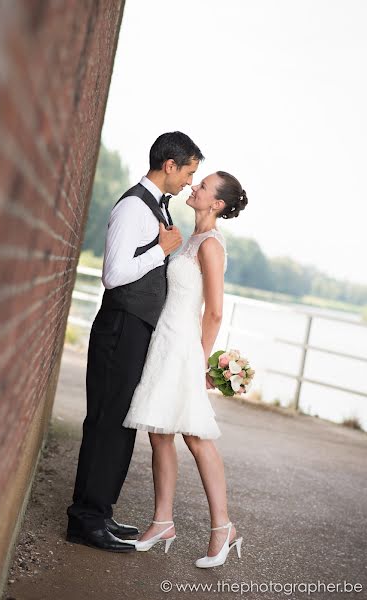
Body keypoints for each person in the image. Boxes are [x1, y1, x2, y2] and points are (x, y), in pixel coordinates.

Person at [66, 131, 204, 552]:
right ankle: (85, 521)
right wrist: (161, 250)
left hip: (135, 331)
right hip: (120, 328)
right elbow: (113, 275)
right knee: (106, 424)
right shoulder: (132, 207)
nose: (188, 182)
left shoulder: (156, 207)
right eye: (189, 172)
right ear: (170, 165)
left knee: (119, 426)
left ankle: (100, 514)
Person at [123, 171, 248, 567]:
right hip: (166, 342)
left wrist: (200, 362)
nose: (194, 187)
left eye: (203, 186)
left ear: (217, 204)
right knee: (160, 433)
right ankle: (162, 522)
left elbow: (213, 312)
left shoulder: (210, 245)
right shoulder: (189, 239)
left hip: (185, 350)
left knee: (195, 436)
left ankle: (223, 528)